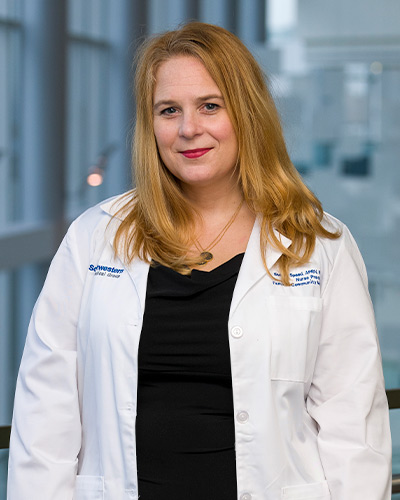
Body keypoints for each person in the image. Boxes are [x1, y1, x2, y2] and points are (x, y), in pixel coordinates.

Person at [7, 22, 391, 500]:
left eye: (210, 106)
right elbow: (46, 414)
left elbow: (354, 427)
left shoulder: (320, 244)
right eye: (169, 110)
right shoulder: (95, 237)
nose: (189, 129)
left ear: (247, 114)